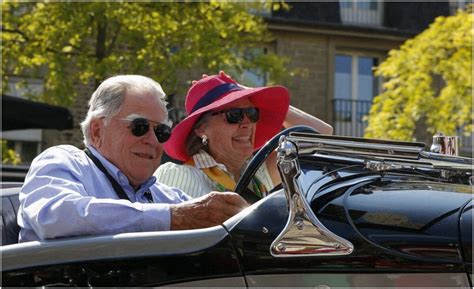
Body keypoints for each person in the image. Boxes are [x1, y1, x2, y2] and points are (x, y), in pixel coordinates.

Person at [17, 75, 248, 242]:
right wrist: (172, 218)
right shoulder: (64, 161)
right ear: (98, 130)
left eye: (162, 132)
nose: (153, 140)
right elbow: (55, 216)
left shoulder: (164, 195)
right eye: (139, 126)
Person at [154, 71, 332, 202]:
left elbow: (320, 134)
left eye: (252, 113)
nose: (247, 123)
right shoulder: (177, 174)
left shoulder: (255, 176)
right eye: (234, 115)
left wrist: (244, 90)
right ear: (201, 129)